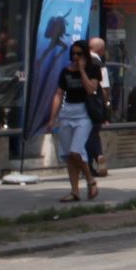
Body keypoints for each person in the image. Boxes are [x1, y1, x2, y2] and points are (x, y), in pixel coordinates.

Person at [52, 43, 99, 202]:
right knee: (68, 156)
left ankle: (90, 180)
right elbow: (59, 94)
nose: (76, 57)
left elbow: (91, 89)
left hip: (84, 114)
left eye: (79, 54)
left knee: (76, 152)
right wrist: (52, 118)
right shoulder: (65, 71)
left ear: (86, 55)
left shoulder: (93, 69)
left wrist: (82, 71)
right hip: (67, 113)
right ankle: (75, 191)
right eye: (73, 54)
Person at [83, 37, 109, 178]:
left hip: (80, 103)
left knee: (85, 135)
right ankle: (98, 155)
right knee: (94, 133)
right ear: (101, 50)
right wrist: (105, 106)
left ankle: (89, 165)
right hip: (95, 104)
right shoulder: (99, 65)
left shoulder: (79, 62)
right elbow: (104, 88)